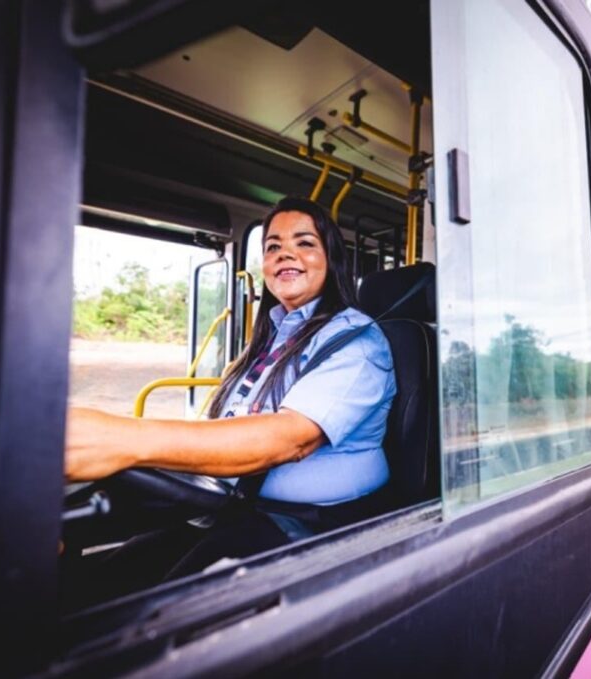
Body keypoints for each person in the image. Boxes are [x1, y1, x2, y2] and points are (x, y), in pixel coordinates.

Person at [64, 196, 396, 582]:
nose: (285, 254)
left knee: (156, 604)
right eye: (273, 246)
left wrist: (121, 439)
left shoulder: (358, 342)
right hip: (237, 503)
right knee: (106, 578)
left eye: (305, 243)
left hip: (312, 526)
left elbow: (289, 440)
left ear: (332, 258)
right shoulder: (272, 336)